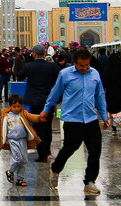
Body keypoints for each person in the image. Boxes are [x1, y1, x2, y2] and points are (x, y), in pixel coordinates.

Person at [41, 49, 109, 195]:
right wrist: (46, 110)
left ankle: (90, 181)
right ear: (74, 63)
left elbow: (100, 96)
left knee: (95, 151)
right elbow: (55, 93)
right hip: (72, 119)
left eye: (86, 65)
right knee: (70, 148)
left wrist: (104, 115)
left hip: (91, 119)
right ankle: (56, 168)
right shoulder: (65, 74)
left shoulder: (95, 74)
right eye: (80, 65)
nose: (84, 68)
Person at [20, 45, 59, 162]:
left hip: (35, 101)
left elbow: (20, 76)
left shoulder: (29, 66)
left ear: (35, 54)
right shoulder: (52, 66)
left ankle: (41, 154)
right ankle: (47, 151)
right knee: (47, 126)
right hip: (49, 101)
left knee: (38, 127)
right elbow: (59, 79)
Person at [0, 94, 39, 187]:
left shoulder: (23, 113)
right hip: (12, 140)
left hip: (22, 140)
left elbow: (32, 117)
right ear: (10, 106)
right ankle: (10, 171)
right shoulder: (6, 116)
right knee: (17, 158)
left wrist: (40, 117)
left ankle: (20, 179)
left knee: (24, 160)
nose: (16, 108)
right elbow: (1, 129)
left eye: (18, 106)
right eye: (14, 106)